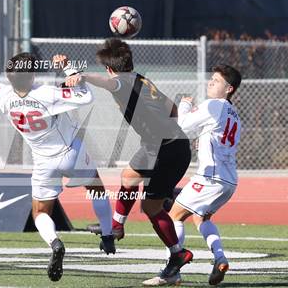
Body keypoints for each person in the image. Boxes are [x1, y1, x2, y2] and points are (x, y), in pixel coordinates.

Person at [0, 9, 115, 282]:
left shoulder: (2, 94)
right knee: (96, 188)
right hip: (70, 151)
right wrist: (69, 69)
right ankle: (107, 235)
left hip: (43, 161)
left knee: (40, 212)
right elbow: (85, 97)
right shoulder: (46, 93)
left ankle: (55, 244)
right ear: (32, 75)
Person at [64, 38, 193, 285]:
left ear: (110, 68)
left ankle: (178, 254)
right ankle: (117, 226)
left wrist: (82, 76)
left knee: (151, 209)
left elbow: (108, 83)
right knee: (128, 177)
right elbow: (173, 108)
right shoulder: (142, 79)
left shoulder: (120, 80)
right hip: (161, 145)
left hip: (165, 150)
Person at [143, 64, 242, 286]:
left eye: (216, 81)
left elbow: (183, 126)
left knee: (174, 215)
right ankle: (220, 258)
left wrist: (184, 106)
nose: (210, 82)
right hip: (228, 181)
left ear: (229, 89)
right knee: (201, 217)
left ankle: (171, 272)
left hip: (210, 178)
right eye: (212, 79)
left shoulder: (213, 105)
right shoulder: (235, 116)